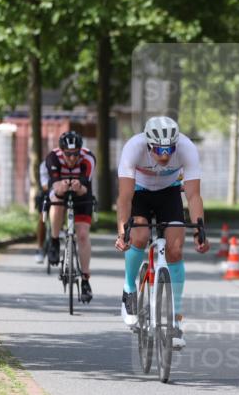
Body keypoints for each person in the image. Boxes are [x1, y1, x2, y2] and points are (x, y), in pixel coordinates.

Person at [115, 116, 209, 349]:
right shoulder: (133, 148)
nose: (165, 156)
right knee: (139, 234)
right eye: (158, 150)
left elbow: (194, 195)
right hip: (139, 192)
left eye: (169, 149)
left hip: (169, 193)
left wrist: (200, 231)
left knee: (176, 249)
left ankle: (175, 320)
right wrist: (121, 231)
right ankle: (129, 289)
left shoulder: (187, 148)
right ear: (148, 145)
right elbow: (125, 198)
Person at [46, 131, 96, 302]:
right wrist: (62, 187)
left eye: (75, 154)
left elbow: (85, 187)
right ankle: (53, 241)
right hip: (61, 191)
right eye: (68, 154)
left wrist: (79, 186)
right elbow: (54, 185)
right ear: (62, 151)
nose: (72, 158)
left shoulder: (88, 158)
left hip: (81, 194)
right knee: (57, 202)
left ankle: (85, 280)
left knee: (82, 235)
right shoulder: (53, 157)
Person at [34, 158, 49, 263]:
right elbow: (45, 186)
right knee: (42, 218)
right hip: (48, 193)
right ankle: (40, 248)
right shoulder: (45, 164)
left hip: (63, 193)